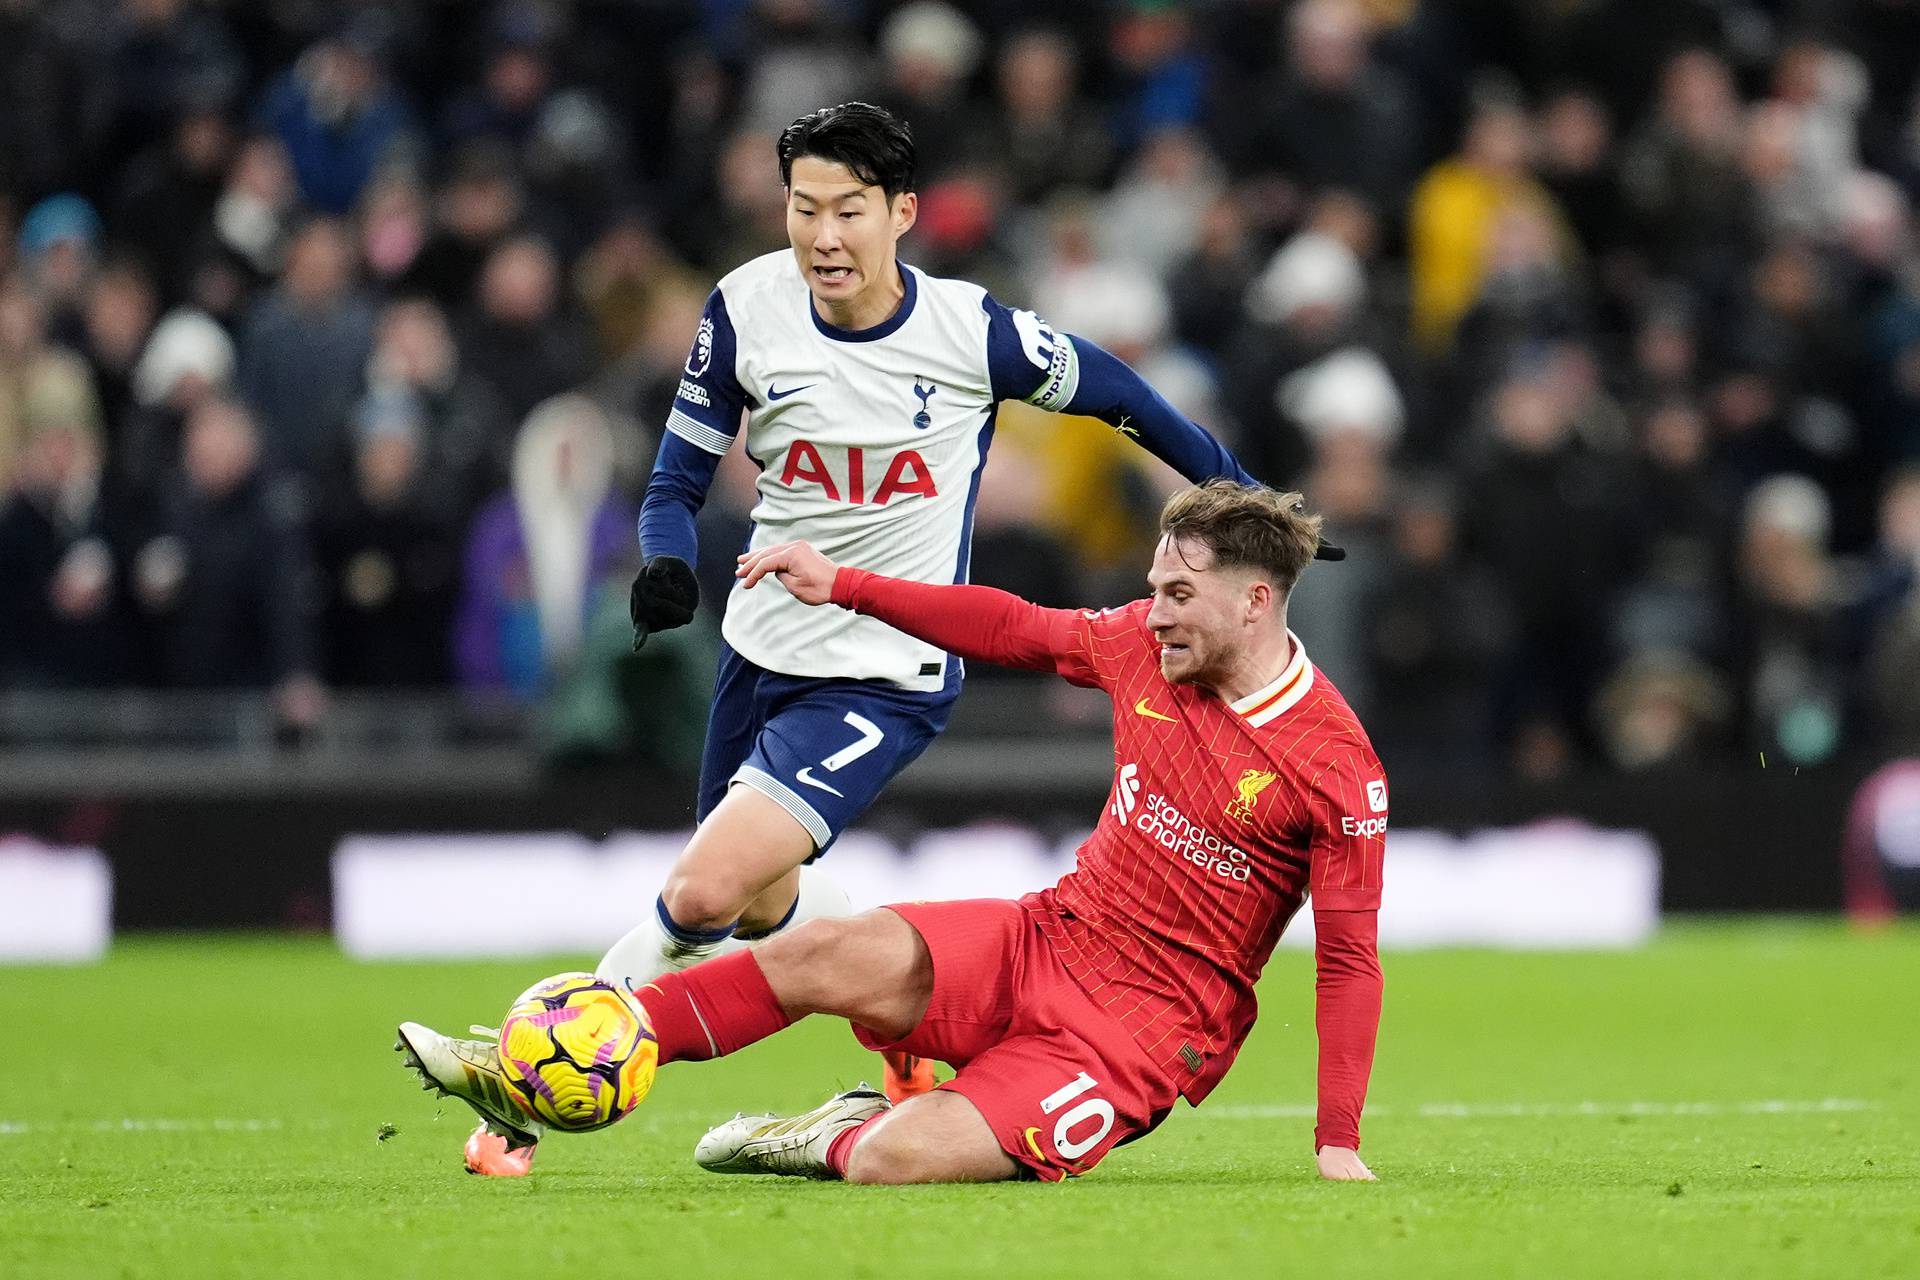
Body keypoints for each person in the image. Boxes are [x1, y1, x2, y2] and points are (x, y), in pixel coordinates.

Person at [400, 101, 1331, 1176]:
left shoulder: (974, 333)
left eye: (849, 210)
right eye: (804, 208)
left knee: (700, 890)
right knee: (762, 910)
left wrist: (1247, 497)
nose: (824, 236)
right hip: (760, 652)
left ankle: (527, 1085)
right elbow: (673, 479)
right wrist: (663, 560)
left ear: (902, 214)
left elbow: (1124, 398)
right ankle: (908, 1061)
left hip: (884, 668)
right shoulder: (745, 309)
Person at [400, 480, 1384, 1183]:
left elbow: (1347, 961)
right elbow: (1012, 623)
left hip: (1136, 1034)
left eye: (1179, 595)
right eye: (1155, 588)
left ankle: (832, 1134)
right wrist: (851, 585)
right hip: (1046, 934)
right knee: (826, 948)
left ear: (1256, 601)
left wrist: (1335, 1136)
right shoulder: (1142, 645)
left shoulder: (1333, 764)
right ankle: (559, 1063)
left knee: (895, 1159)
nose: (1154, 612)